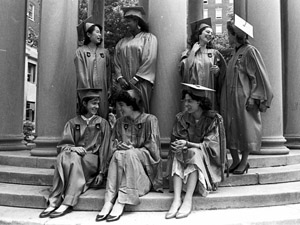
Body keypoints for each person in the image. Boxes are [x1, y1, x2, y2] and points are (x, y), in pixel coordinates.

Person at [39, 88, 111, 218]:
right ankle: (55, 201)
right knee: (65, 155)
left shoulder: (103, 123)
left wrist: (102, 172)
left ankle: (66, 201)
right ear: (84, 103)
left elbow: (105, 149)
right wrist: (74, 148)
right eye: (93, 103)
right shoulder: (72, 123)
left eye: (98, 103)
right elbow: (63, 145)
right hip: (75, 159)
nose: (97, 106)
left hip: (91, 161)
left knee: (71, 157)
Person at [95, 88, 163, 222]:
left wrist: (133, 150)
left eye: (121, 105)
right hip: (121, 171)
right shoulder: (120, 122)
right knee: (118, 154)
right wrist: (117, 147)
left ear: (132, 105)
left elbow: (154, 152)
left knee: (129, 153)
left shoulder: (150, 120)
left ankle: (121, 201)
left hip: (141, 180)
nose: (119, 109)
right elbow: (112, 146)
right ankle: (109, 200)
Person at [166, 83, 226, 219]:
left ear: (199, 102)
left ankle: (187, 199)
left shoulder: (213, 119)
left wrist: (188, 144)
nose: (186, 104)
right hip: (186, 157)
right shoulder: (181, 118)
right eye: (185, 101)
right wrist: (178, 145)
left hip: (206, 161)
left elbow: (212, 146)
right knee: (179, 153)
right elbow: (176, 139)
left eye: (190, 101)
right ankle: (176, 199)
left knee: (194, 153)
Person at [222, 15, 273, 174]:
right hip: (230, 99)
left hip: (244, 99)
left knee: (245, 129)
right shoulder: (234, 52)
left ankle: (244, 162)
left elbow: (258, 76)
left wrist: (253, 97)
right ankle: (236, 160)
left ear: (235, 35)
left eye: (229, 34)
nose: (227, 37)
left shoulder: (250, 52)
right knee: (231, 129)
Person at [114, 6, 158, 113]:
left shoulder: (149, 38)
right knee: (123, 112)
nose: (126, 24)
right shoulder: (121, 42)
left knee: (139, 112)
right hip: (124, 84)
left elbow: (150, 59)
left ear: (136, 21)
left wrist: (137, 78)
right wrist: (120, 78)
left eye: (128, 21)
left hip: (141, 83)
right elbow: (116, 62)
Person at [180, 18, 226, 111]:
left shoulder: (214, 53)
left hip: (209, 93)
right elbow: (184, 70)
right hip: (193, 94)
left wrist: (217, 72)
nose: (210, 35)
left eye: (211, 33)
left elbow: (224, 75)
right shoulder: (188, 53)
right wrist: (193, 51)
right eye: (207, 32)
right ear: (199, 34)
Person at [75, 17, 112, 119]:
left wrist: (109, 88)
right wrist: (87, 92)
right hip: (87, 91)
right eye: (97, 32)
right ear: (88, 34)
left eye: (100, 33)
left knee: (103, 116)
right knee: (88, 117)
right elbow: (80, 73)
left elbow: (108, 72)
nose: (100, 35)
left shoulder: (105, 52)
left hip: (103, 91)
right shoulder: (80, 51)